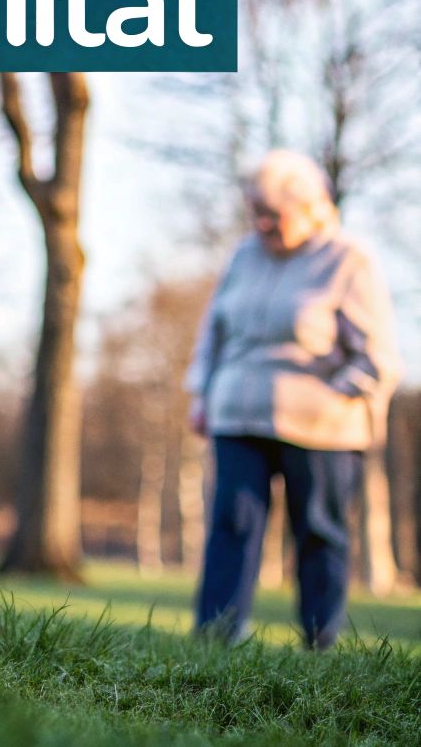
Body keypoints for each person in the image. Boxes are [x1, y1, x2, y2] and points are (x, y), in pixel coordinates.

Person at [184, 149, 401, 649]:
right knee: (231, 524)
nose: (261, 223)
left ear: (311, 208)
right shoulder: (244, 255)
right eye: (254, 211)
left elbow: (378, 355)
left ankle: (320, 641)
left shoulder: (348, 258)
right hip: (238, 413)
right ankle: (217, 637)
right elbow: (213, 331)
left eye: (272, 214)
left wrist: (337, 395)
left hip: (320, 425)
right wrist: (202, 391)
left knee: (320, 529)